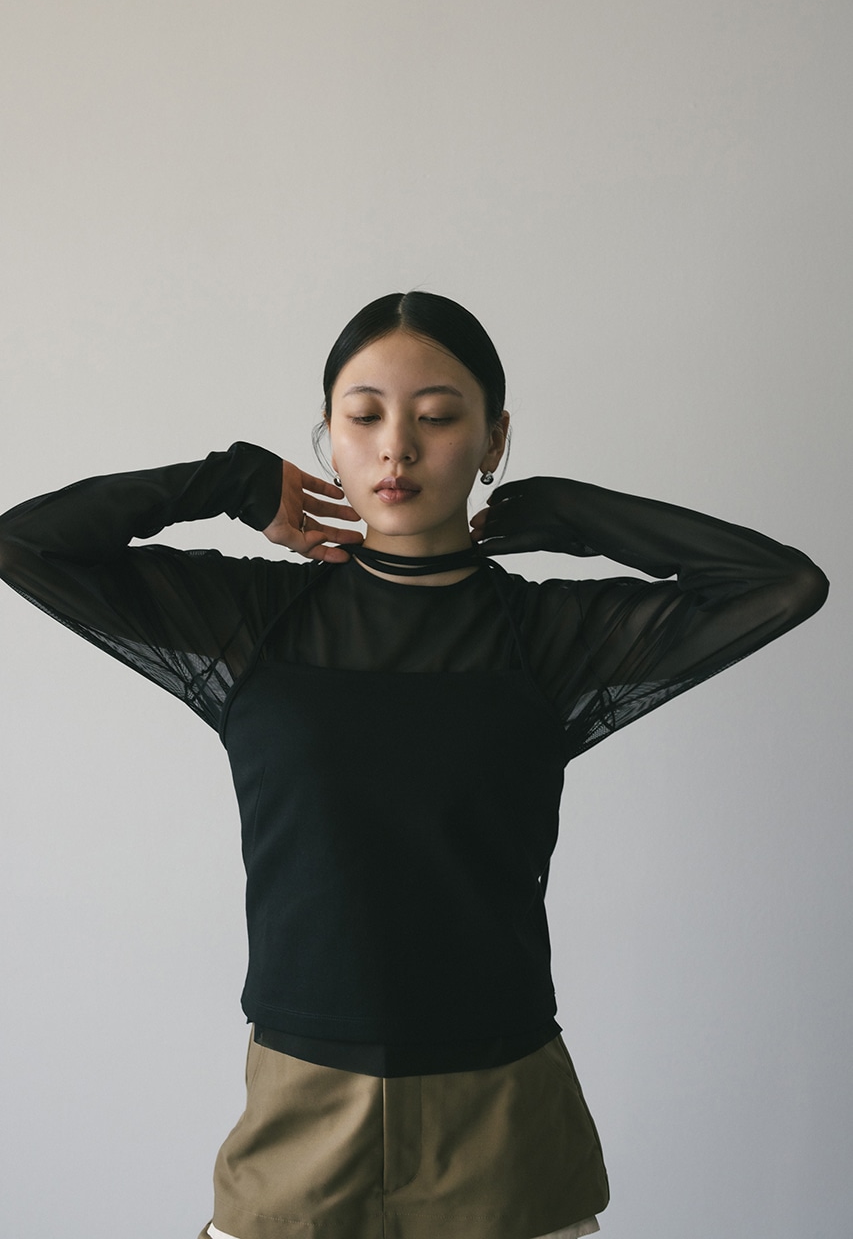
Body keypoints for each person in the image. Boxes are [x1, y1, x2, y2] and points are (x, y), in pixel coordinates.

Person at [0, 291, 829, 1239]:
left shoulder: (546, 637)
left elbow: (782, 586)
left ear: (492, 439)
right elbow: (23, 545)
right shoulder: (252, 624)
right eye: (363, 417)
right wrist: (225, 480)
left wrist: (575, 512)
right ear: (327, 441)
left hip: (500, 1115)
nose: (395, 448)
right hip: (299, 1110)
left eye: (435, 418)